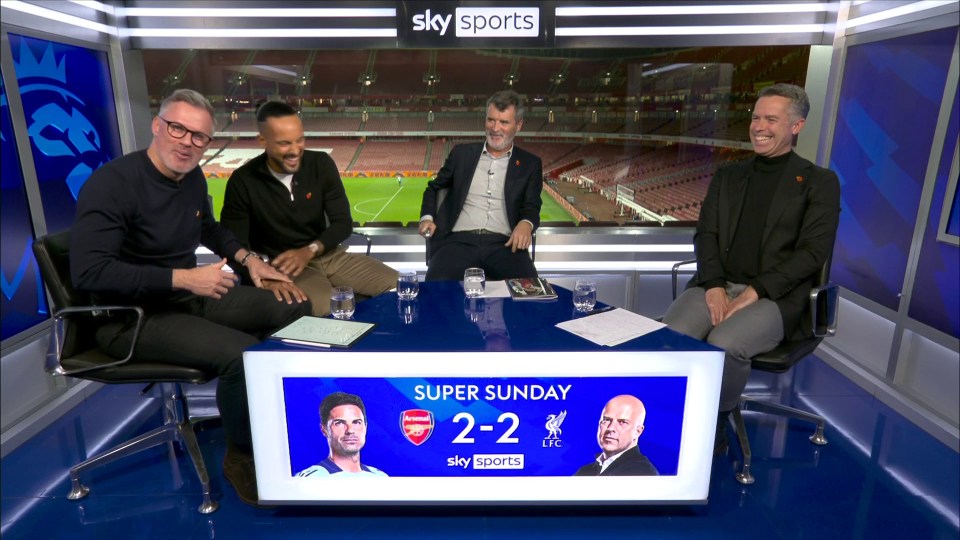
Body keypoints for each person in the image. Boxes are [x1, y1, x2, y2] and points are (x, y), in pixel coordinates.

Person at [70, 89, 312, 508]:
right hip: (129, 318)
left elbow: (210, 229)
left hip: (184, 299)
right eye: (178, 129)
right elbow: (91, 272)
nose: (187, 142)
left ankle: (276, 418)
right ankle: (242, 456)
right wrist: (182, 278)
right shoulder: (112, 184)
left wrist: (249, 261)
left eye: (199, 136)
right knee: (241, 356)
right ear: (157, 126)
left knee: (294, 302)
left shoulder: (192, 176)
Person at [662, 83, 841, 453]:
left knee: (724, 344)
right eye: (756, 117)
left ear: (796, 126)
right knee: (670, 336)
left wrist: (755, 291)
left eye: (771, 119)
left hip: (775, 296)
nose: (759, 126)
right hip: (716, 284)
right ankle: (672, 414)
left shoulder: (819, 183)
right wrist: (712, 284)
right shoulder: (729, 175)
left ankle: (716, 422)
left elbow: (812, 252)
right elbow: (706, 234)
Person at [221, 101, 397, 316]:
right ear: (263, 140)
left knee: (401, 286)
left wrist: (309, 250)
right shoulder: (243, 180)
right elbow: (233, 244)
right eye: (285, 143)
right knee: (326, 312)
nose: (295, 150)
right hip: (285, 267)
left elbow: (343, 223)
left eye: (300, 140)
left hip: (331, 256)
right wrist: (263, 277)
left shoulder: (320, 163)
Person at [418, 90, 542, 281]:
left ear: (518, 125)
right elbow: (433, 188)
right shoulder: (461, 154)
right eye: (491, 120)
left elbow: (532, 206)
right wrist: (426, 218)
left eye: (504, 122)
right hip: (457, 242)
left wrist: (526, 224)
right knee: (433, 292)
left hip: (506, 244)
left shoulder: (530, 164)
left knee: (531, 294)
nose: (495, 128)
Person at [296, 392, 387, 477]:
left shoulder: (380, 477)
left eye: (356, 422)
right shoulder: (312, 478)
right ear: (324, 429)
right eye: (339, 423)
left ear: (365, 427)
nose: (350, 430)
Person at [574, 395, 659, 476]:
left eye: (622, 422)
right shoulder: (584, 471)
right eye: (606, 420)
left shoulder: (642, 472)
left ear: (638, 431)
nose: (610, 428)